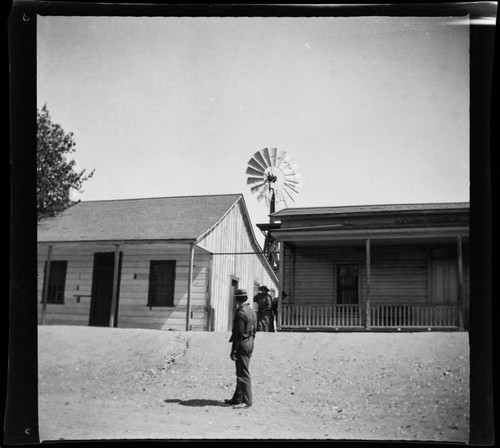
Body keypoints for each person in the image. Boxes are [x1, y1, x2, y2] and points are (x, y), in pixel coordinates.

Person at [225, 288, 257, 409]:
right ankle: (237, 398)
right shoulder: (251, 311)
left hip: (243, 343)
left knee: (243, 373)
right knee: (241, 370)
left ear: (237, 299)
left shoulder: (241, 313)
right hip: (250, 341)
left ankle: (247, 401)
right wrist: (251, 340)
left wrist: (233, 350)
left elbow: (238, 334)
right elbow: (254, 329)